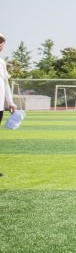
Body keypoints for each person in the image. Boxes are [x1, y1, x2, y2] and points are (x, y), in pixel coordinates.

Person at [0, 33, 17, 178]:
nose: (0, 44)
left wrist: (10, 102)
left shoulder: (2, 62)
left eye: (1, 42)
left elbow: (5, 84)